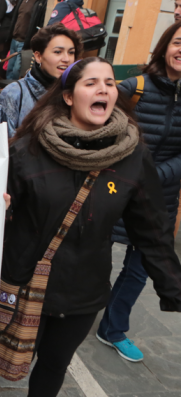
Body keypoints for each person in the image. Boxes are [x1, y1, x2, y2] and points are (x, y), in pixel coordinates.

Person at [5, 56, 181, 397]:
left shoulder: (132, 156)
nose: (103, 88)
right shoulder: (29, 148)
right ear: (69, 96)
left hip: (81, 292)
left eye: (110, 83)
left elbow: (153, 229)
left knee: (53, 366)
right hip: (23, 282)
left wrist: (173, 287)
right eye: (91, 83)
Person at [97, 21, 181, 363]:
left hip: (162, 196)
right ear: (165, 45)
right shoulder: (134, 88)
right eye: (179, 42)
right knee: (93, 255)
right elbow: (102, 129)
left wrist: (153, 176)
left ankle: (112, 329)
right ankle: (74, 310)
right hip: (117, 189)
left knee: (139, 268)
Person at [0, 24, 80, 137]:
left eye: (71, 52)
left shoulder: (77, 92)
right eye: (58, 52)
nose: (66, 59)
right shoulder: (14, 94)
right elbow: (1, 145)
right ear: (38, 56)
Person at [5, 0, 45, 79]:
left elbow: (40, 23)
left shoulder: (40, 1)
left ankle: (15, 88)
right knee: (9, 68)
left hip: (25, 41)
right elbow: (15, 17)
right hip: (14, 38)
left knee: (17, 69)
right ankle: (9, 89)